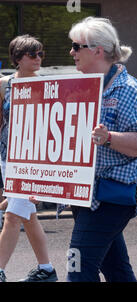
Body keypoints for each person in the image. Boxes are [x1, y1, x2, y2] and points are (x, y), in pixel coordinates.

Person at [67, 17, 137, 282]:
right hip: (85, 193)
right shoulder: (81, 87)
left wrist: (108, 138)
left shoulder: (129, 90)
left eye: (76, 46)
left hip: (111, 194)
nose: (71, 52)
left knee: (78, 266)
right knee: (116, 270)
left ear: (97, 50)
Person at [0, 35, 57, 282]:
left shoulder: (46, 86)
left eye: (40, 54)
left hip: (32, 161)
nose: (38, 59)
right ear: (17, 58)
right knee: (28, 216)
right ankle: (46, 269)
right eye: (32, 54)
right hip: (7, 158)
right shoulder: (4, 84)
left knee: (13, 216)